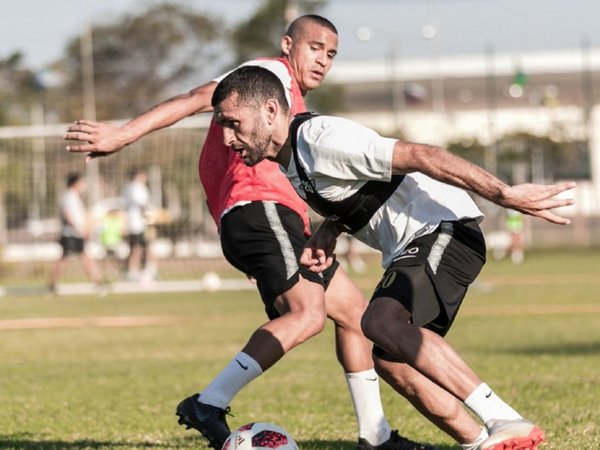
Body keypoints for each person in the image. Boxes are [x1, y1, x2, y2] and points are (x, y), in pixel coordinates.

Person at [64, 15, 442, 450]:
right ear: (288, 45)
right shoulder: (271, 76)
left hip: (271, 222)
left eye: (331, 53)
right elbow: (197, 97)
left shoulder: (293, 104)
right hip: (260, 209)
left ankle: (374, 437)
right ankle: (209, 402)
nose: (322, 59)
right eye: (314, 47)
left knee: (357, 319)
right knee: (307, 314)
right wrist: (122, 134)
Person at [208, 65, 577, 450]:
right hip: (416, 242)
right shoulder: (290, 158)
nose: (227, 138)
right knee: (391, 362)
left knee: (379, 321)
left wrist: (504, 194)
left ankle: (505, 419)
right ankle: (481, 443)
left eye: (233, 123)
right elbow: (360, 189)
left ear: (269, 110)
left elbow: (421, 155)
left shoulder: (320, 140)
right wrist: (330, 230)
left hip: (446, 229)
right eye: (221, 126)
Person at [49, 172, 103, 294]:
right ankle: (52, 283)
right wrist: (80, 229)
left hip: (77, 233)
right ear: (75, 183)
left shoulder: (75, 197)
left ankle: (97, 281)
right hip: (71, 233)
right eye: (81, 182)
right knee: (64, 258)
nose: (83, 185)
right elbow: (68, 215)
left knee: (85, 256)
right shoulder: (68, 196)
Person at [122, 168, 157, 281]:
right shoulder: (137, 187)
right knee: (139, 248)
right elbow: (142, 204)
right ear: (139, 175)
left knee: (143, 247)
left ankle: (145, 270)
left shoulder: (129, 187)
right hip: (139, 224)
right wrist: (149, 218)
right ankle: (136, 271)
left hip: (134, 223)